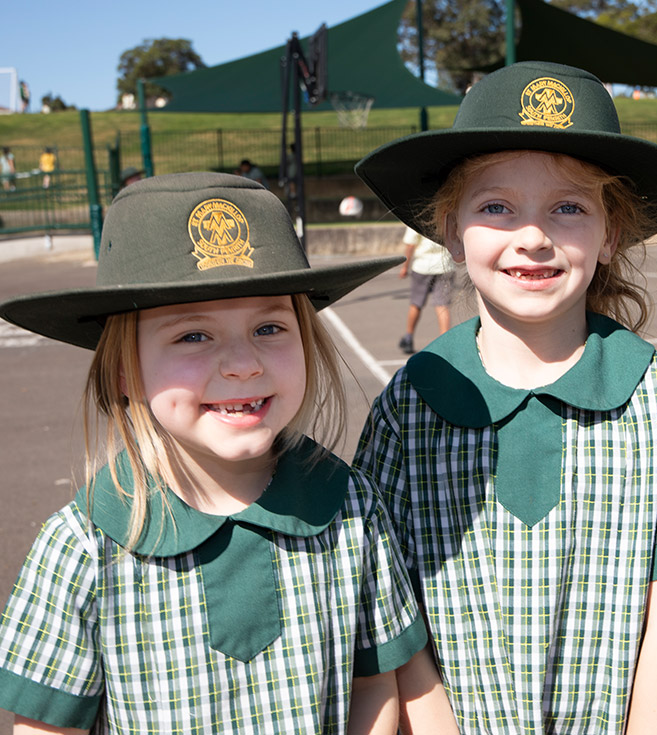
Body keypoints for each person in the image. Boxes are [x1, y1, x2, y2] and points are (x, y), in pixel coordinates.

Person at [353, 61, 657, 734]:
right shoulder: (408, 406)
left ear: (610, 234)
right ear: (450, 231)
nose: (533, 235)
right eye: (495, 205)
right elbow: (393, 629)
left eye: (568, 207)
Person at [0, 172, 457, 734]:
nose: (243, 363)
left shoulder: (349, 508)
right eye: (193, 335)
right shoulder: (83, 550)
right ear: (124, 368)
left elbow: (376, 684)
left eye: (269, 326)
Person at [397, 226, 455, 354]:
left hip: (423, 266)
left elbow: (411, 245)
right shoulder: (446, 216)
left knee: (416, 303)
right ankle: (445, 342)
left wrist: (405, 267)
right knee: (442, 305)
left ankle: (409, 337)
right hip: (445, 264)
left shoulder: (415, 218)